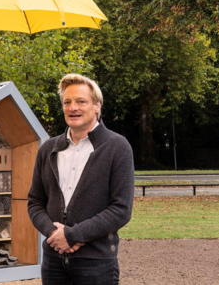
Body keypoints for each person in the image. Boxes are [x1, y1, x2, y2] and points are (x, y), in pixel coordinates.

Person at [27, 73, 135, 285]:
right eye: (67, 102)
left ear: (97, 106)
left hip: (96, 263)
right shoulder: (48, 149)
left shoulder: (117, 148)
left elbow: (121, 209)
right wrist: (54, 234)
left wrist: (74, 235)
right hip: (53, 262)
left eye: (81, 101)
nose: (72, 108)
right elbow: (34, 202)